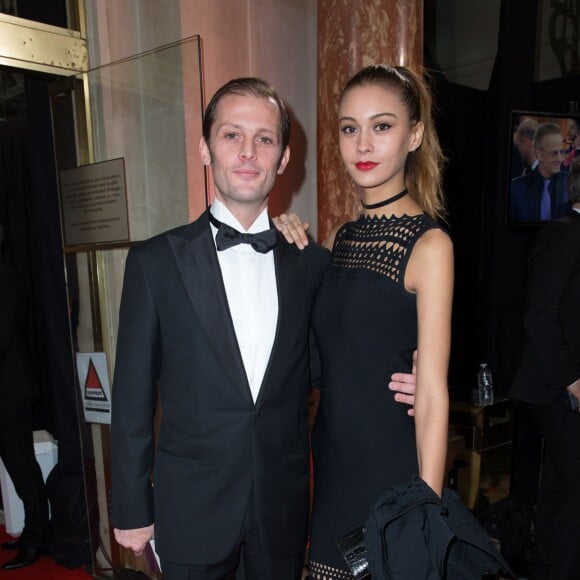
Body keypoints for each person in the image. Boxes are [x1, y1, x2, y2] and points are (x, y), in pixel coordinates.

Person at [110, 77, 417, 580]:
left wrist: (415, 365)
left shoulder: (313, 265)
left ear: (283, 157)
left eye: (265, 139)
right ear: (205, 148)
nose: (248, 152)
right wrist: (130, 508)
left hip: (282, 507)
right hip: (190, 510)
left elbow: (343, 353)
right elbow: (131, 399)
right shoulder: (154, 262)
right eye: (232, 135)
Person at [277, 64, 453, 579]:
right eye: (350, 128)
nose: (363, 144)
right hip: (331, 459)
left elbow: (435, 393)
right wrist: (291, 252)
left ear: (414, 134)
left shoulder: (430, 245)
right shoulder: (337, 240)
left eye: (382, 126)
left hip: (389, 461)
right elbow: (316, 358)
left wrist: (426, 510)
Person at [509, 157, 580, 580]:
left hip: (562, 386)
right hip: (555, 386)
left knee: (560, 491)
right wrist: (572, 381)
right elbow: (538, 314)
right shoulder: (563, 232)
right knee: (572, 492)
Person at [0, 224, 49, 570]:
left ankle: (37, 538)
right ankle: (31, 531)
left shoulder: (5, 278)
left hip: (9, 390)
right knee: (16, 465)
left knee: (21, 465)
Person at [509, 123, 569, 222]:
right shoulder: (516, 189)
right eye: (554, 153)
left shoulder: (570, 185)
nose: (560, 159)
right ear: (539, 153)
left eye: (561, 152)